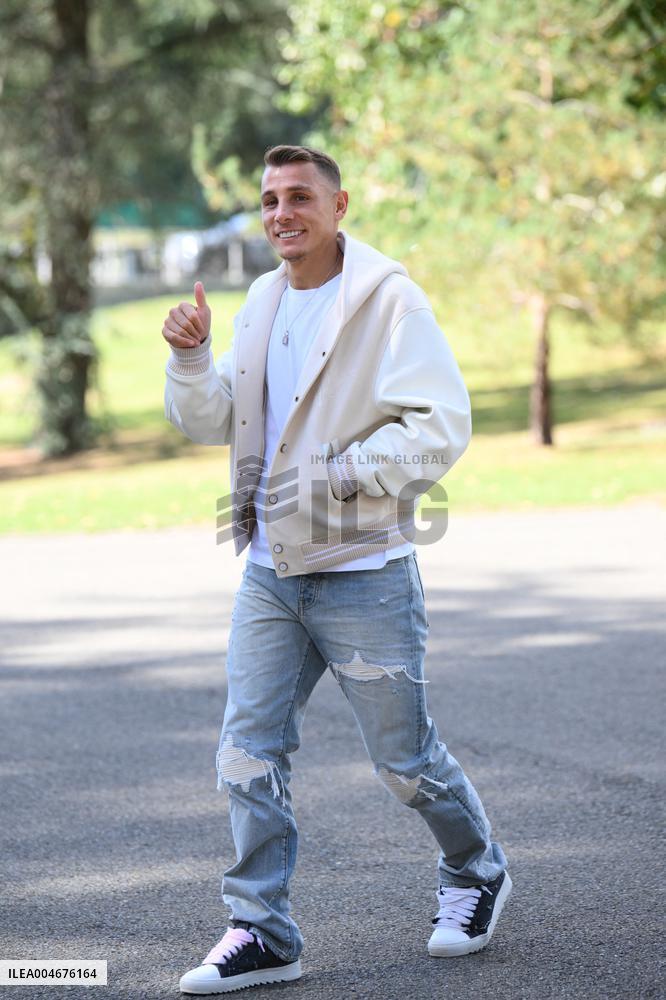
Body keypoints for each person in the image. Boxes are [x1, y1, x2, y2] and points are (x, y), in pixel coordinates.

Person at [163, 145, 510, 995]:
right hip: (270, 570)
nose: (283, 212)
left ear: (339, 204)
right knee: (247, 752)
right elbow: (217, 423)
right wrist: (192, 358)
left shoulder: (387, 300)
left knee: (404, 762)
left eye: (300, 197)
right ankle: (263, 929)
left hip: (364, 570)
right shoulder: (261, 297)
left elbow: (441, 423)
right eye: (271, 199)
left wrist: (337, 478)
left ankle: (475, 868)